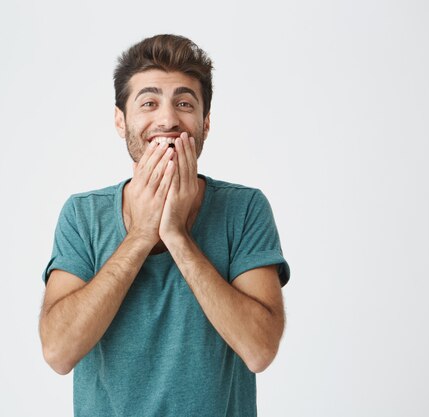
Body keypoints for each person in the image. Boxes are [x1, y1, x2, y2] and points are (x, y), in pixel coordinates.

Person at [39, 34, 290, 417]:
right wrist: (141, 234)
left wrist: (177, 236)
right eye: (149, 103)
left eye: (184, 103)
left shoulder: (244, 209)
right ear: (121, 121)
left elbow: (259, 351)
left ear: (205, 123)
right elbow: (58, 352)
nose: (169, 119)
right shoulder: (82, 215)